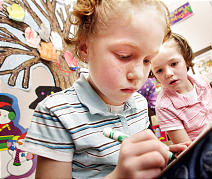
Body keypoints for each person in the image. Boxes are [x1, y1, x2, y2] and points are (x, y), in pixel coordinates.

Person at [22, 0, 182, 178]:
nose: (138, 74)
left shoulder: (139, 103)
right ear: (85, 48)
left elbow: (139, 157)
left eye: (147, 60)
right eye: (124, 56)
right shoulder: (55, 114)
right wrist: (119, 176)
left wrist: (163, 156)